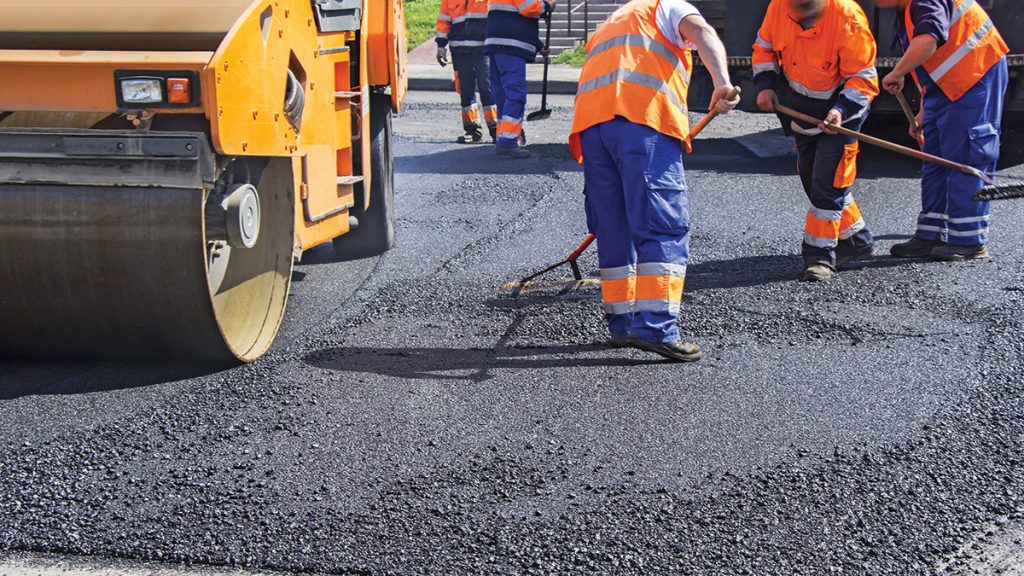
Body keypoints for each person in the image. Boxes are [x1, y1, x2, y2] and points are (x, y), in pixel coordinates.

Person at [569, 0, 740, 362]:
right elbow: (703, 32)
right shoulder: (668, 6)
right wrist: (722, 82)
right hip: (641, 122)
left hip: (593, 129)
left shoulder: (612, 21)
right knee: (662, 224)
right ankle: (656, 328)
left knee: (614, 226)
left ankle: (623, 325)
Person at [752, 0, 881, 282]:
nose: (799, 15)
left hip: (842, 115)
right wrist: (765, 86)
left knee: (828, 183)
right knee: (812, 178)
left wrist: (840, 111)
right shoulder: (779, 7)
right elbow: (763, 48)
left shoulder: (848, 19)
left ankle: (820, 257)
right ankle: (858, 240)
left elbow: (862, 79)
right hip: (801, 110)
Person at [873, 0, 1009, 261]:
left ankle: (969, 241)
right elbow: (933, 64)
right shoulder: (906, 11)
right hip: (944, 86)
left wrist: (898, 72)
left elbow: (928, 41)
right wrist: (925, 112)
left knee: (967, 156)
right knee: (934, 157)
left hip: (976, 72)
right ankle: (931, 233)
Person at [485, 0, 556, 158]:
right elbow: (529, 8)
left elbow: (512, 17)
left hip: (496, 42)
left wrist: (538, 45)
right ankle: (508, 142)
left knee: (502, 94)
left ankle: (504, 136)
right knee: (515, 94)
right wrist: (548, 5)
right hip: (510, 45)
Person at [436, 0, 499, 143]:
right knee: (465, 89)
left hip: (484, 49)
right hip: (459, 50)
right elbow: (444, 20)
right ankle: (472, 130)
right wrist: (441, 45)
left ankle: (496, 129)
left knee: (487, 87)